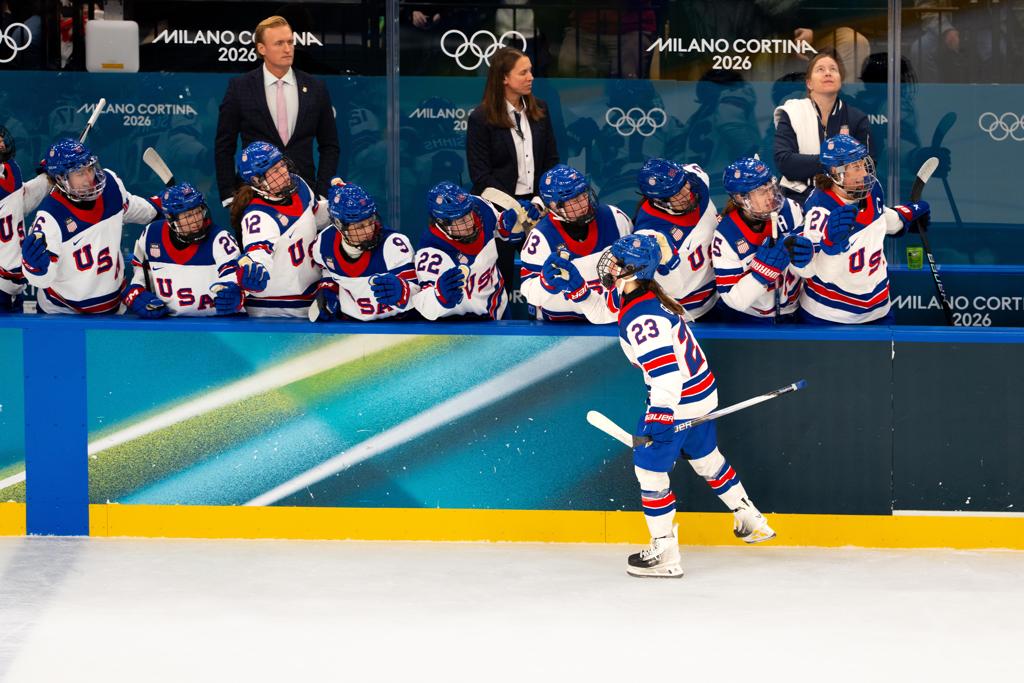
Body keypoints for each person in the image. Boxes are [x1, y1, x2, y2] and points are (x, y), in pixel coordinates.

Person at [595, 233, 776, 578]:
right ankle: (750, 518)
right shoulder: (648, 298)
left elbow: (665, 372)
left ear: (634, 270)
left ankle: (664, 551)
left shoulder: (642, 317)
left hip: (677, 401)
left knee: (649, 471)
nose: (611, 265)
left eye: (619, 262)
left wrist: (660, 417)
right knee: (708, 460)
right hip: (702, 395)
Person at [793, 134, 928, 324]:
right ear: (836, 171)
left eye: (864, 164)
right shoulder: (820, 211)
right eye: (856, 167)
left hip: (879, 310)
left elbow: (878, 218)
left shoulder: (872, 188)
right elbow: (818, 271)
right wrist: (832, 245)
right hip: (830, 316)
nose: (864, 173)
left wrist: (903, 217)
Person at [21, 138, 158, 314]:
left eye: (90, 169)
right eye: (79, 173)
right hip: (63, 314)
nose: (89, 179)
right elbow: (42, 281)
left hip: (115, 309)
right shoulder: (50, 217)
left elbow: (132, 207)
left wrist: (161, 207)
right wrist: (36, 268)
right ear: (61, 178)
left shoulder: (111, 186)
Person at [214, 15, 340, 204]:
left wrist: (321, 193)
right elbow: (224, 146)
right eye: (279, 43)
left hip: (305, 196)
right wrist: (229, 195)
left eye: (290, 42)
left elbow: (330, 145)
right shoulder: (239, 88)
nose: (288, 49)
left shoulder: (316, 88)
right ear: (261, 48)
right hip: (253, 196)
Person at [466, 46, 559, 293]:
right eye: (523, 72)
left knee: (545, 277)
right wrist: (516, 209)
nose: (531, 77)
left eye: (530, 71)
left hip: (537, 208)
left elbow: (551, 161)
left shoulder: (541, 109)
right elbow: (481, 176)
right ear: (504, 78)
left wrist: (539, 202)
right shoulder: (480, 118)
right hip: (499, 211)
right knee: (502, 280)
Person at [123, 182, 269, 318]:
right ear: (170, 219)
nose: (196, 221)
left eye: (198, 212)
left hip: (218, 323)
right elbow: (140, 275)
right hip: (172, 327)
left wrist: (235, 293)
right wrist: (136, 292)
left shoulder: (220, 239)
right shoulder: (151, 235)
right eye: (188, 216)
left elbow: (233, 277)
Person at [519, 164, 631, 322]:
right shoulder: (540, 238)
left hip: (609, 319)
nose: (583, 204)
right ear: (553, 205)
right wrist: (544, 283)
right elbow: (529, 293)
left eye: (583, 195)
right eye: (573, 200)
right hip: (560, 326)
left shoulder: (615, 217)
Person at [231, 141, 328, 318]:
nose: (284, 172)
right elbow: (259, 254)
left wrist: (337, 209)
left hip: (309, 299)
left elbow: (314, 218)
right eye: (275, 170)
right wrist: (256, 270)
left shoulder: (299, 185)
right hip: (275, 310)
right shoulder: (258, 216)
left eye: (282, 164)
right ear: (256, 180)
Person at [712, 158, 812, 323]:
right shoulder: (726, 235)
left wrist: (807, 257)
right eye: (761, 191)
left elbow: (805, 270)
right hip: (751, 319)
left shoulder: (791, 210)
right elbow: (732, 299)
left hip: (795, 310)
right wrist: (760, 275)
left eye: (771, 187)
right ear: (739, 197)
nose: (771, 196)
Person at [773, 51, 872, 205]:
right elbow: (785, 162)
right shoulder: (791, 113)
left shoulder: (856, 118)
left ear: (840, 80)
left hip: (844, 200)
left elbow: (863, 166)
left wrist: (829, 168)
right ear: (809, 83)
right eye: (820, 69)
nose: (828, 73)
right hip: (797, 199)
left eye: (833, 69)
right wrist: (830, 163)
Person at [311, 183, 419, 322]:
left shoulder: (393, 244)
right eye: (360, 226)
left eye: (370, 221)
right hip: (350, 327)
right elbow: (326, 267)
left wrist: (404, 292)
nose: (369, 231)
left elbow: (418, 296)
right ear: (339, 224)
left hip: (396, 326)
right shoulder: (324, 243)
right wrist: (328, 287)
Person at [633, 158, 718, 321]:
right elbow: (671, 289)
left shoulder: (696, 178)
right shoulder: (651, 236)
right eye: (676, 193)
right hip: (689, 314)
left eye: (683, 183)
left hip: (717, 296)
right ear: (660, 202)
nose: (687, 193)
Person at [413, 181, 510, 321]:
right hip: (465, 326)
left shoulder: (478, 205)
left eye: (469, 213)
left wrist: (506, 226)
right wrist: (438, 296)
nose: (470, 222)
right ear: (443, 222)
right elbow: (425, 306)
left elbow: (498, 225)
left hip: (499, 307)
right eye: (461, 219)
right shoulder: (431, 251)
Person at [0, 127, 50, 312]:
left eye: (1, 140)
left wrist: (49, 176)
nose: (2, 144)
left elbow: (20, 201)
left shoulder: (10, 171)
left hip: (14, 282)